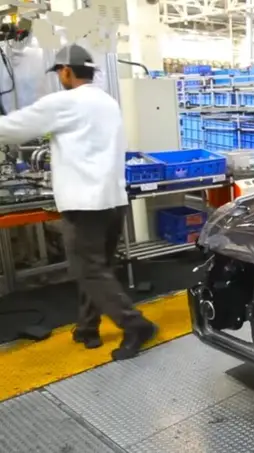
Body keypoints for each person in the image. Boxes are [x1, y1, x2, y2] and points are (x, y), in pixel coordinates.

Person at [0, 44, 157, 359]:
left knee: (89, 271)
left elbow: (12, 129)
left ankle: (135, 324)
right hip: (114, 200)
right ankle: (87, 328)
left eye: (59, 72)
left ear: (67, 71)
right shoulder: (108, 102)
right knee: (99, 269)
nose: (60, 77)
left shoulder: (63, 102)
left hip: (85, 205)